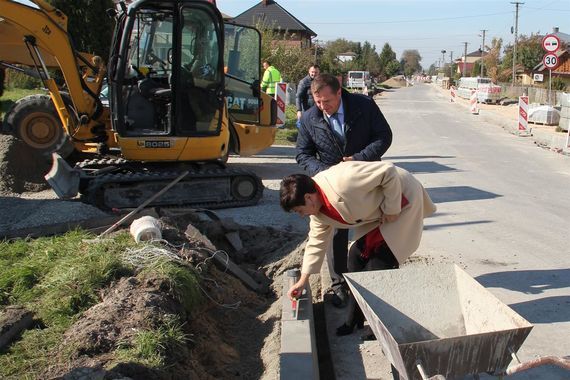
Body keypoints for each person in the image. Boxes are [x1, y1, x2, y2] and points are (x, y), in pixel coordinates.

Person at [280, 161, 436, 336]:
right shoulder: (318, 212)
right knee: (354, 260)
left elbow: (388, 172)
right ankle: (355, 318)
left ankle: (382, 326)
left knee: (378, 267)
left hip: (401, 197)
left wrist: (392, 209)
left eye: (300, 210)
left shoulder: (343, 182)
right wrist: (303, 280)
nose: (302, 215)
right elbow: (316, 242)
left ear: (309, 197)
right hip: (376, 209)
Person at [295, 73, 393, 307]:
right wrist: (324, 172)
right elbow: (302, 153)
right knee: (335, 234)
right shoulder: (310, 118)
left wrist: (359, 159)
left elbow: (383, 136)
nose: (322, 107)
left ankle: (370, 281)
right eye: (317, 102)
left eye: (326, 101)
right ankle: (339, 285)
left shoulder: (364, 106)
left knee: (370, 229)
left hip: (366, 183)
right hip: (330, 186)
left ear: (339, 92)